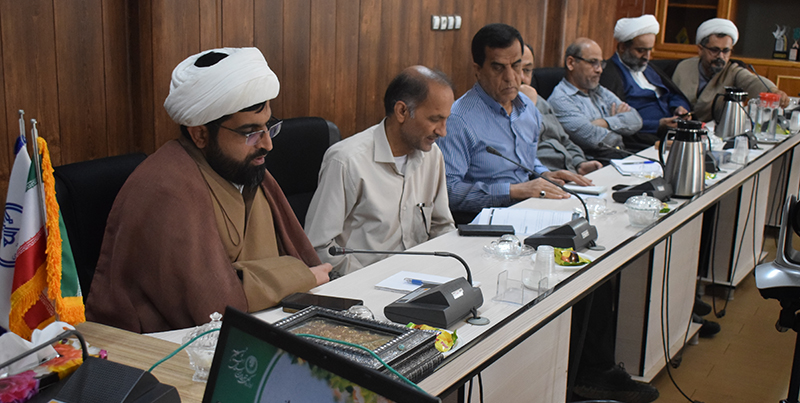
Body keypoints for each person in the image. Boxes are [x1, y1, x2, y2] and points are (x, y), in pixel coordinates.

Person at [86, 48, 331, 333]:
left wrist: (268, 280)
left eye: (269, 127)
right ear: (200, 134)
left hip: (262, 326)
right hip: (167, 347)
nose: (267, 144)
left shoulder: (248, 170)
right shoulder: (167, 188)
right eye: (251, 133)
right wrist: (297, 276)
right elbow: (213, 306)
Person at [305, 66, 456, 275]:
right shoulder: (346, 161)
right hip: (361, 281)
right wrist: (370, 279)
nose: (443, 131)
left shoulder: (432, 155)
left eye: (446, 119)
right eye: (434, 119)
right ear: (402, 111)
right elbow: (319, 247)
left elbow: (441, 226)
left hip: (419, 277)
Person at [437, 23, 593, 219]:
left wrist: (544, 174)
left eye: (517, 66)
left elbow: (525, 159)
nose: (511, 78)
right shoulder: (459, 120)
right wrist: (514, 191)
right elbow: (449, 191)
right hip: (485, 219)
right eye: (498, 68)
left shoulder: (528, 108)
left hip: (531, 206)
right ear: (478, 70)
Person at [672, 18, 790, 123]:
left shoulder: (732, 71)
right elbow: (669, 97)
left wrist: (774, 91)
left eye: (726, 51)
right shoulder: (684, 67)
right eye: (714, 50)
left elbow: (751, 81)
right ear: (700, 49)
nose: (720, 56)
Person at [548, 38, 644, 163]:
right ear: (571, 63)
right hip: (593, 163)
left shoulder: (598, 90)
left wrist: (604, 122)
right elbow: (596, 139)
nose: (600, 70)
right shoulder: (560, 99)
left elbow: (636, 120)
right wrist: (620, 125)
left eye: (601, 63)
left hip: (619, 155)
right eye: (593, 62)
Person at [599, 15, 691, 143]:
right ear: (623, 47)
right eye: (641, 50)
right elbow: (617, 121)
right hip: (645, 140)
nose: (647, 56)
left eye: (649, 50)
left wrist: (678, 107)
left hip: (674, 133)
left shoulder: (648, 68)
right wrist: (658, 125)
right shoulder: (609, 75)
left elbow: (672, 94)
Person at [519, 43, 603, 175]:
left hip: (570, 172)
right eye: (516, 69)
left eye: (527, 70)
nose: (522, 78)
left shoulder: (541, 101)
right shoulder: (500, 110)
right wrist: (527, 109)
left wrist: (580, 163)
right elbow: (520, 154)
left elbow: (564, 140)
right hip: (544, 177)